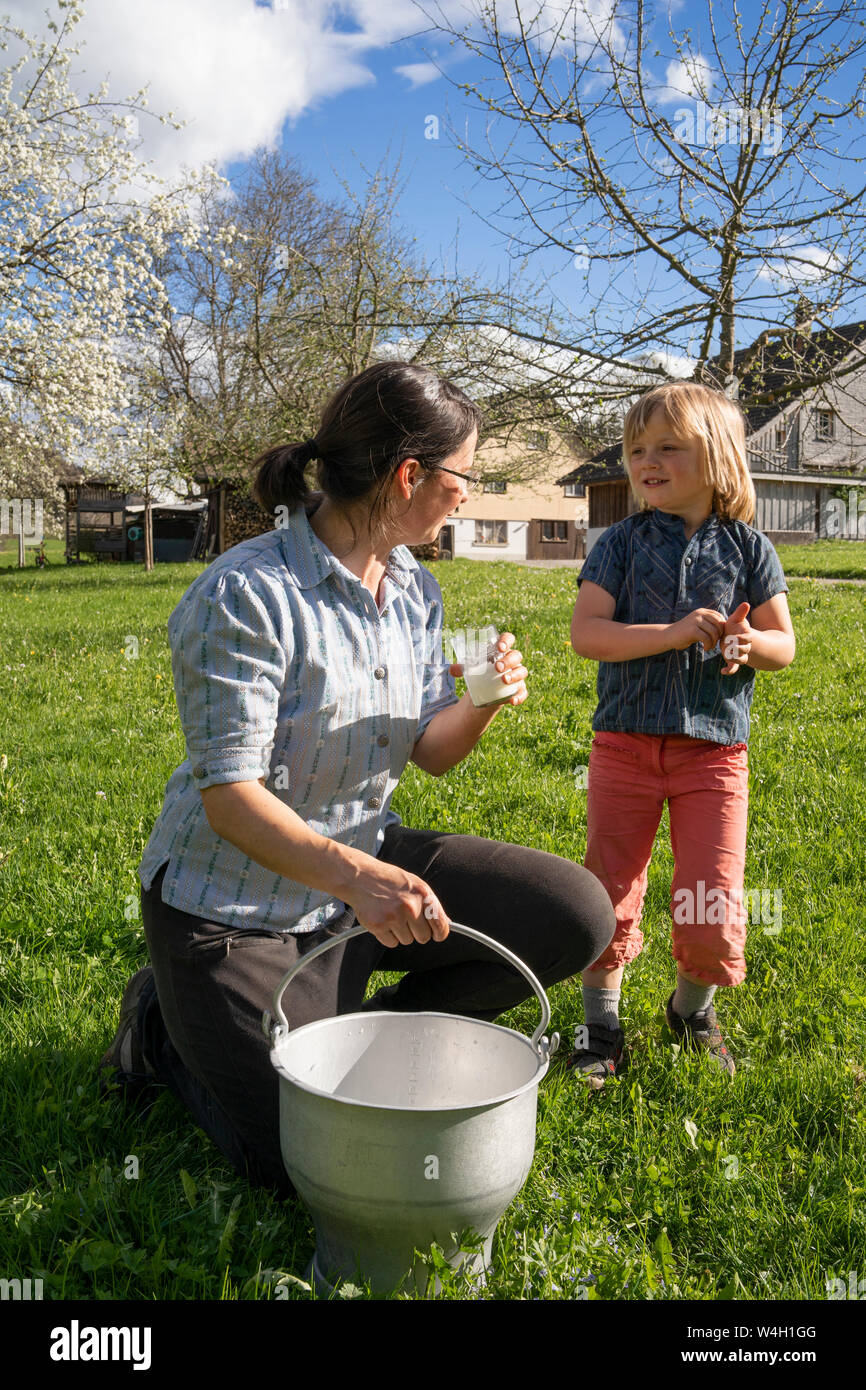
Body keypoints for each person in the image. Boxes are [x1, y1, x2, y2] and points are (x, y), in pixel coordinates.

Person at [99, 361, 616, 1194]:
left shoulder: (413, 588)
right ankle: (161, 1025)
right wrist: (365, 882)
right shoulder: (246, 595)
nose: (467, 496)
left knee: (574, 914)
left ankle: (348, 1044)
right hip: (234, 907)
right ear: (410, 476)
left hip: (356, 869)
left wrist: (482, 701)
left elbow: (430, 750)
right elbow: (229, 801)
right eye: (465, 477)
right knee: (306, 1161)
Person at [566, 381, 796, 1088]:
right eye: (637, 450)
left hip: (715, 754)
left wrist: (745, 644)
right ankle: (600, 1023)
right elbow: (587, 635)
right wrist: (668, 634)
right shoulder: (622, 544)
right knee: (607, 886)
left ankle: (691, 1010)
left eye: (668, 447)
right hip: (626, 748)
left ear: (719, 456)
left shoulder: (750, 548)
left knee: (713, 893)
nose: (646, 461)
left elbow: (784, 644)